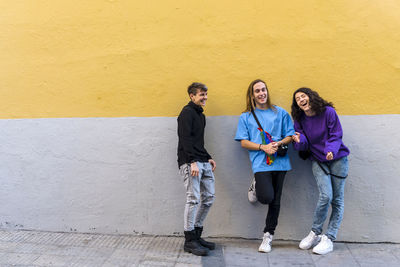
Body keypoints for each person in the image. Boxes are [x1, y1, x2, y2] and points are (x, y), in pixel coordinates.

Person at [234, 79, 294, 253]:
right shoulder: (246, 116)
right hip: (260, 163)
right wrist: (263, 147)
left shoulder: (280, 112)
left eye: (263, 90)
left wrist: (278, 143)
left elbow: (290, 135)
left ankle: (268, 236)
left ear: (267, 91)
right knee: (266, 197)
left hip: (281, 163)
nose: (261, 93)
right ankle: (256, 184)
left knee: (275, 201)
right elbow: (243, 142)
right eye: (257, 91)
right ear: (252, 95)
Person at [291, 87, 350, 255]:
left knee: (337, 200)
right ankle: (315, 233)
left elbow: (336, 134)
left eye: (303, 96)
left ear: (311, 97)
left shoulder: (328, 112)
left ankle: (329, 238)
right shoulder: (300, 119)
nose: (301, 99)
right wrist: (298, 140)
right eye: (297, 99)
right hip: (318, 161)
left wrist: (331, 150)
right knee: (326, 196)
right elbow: (303, 145)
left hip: (338, 159)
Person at [177, 82, 217, 256]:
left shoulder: (201, 115)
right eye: (201, 94)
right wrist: (192, 160)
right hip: (190, 162)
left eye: (206, 94)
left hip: (202, 161)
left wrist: (208, 157)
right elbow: (185, 139)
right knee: (193, 199)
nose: (205, 97)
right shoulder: (186, 113)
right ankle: (189, 240)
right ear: (192, 96)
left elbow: (198, 141)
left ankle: (197, 234)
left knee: (208, 198)